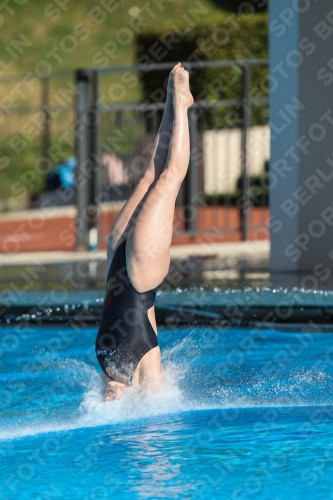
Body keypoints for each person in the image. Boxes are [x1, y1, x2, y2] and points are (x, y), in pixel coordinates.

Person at [95, 62, 194, 401]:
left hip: (115, 266)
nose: (108, 397)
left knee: (148, 178)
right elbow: (160, 404)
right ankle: (181, 102)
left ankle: (171, 99)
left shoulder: (109, 370)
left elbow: (102, 404)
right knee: (170, 178)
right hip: (139, 274)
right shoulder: (150, 378)